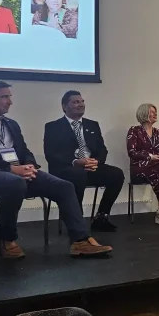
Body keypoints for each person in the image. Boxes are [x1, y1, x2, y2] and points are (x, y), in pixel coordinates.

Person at [0, 81, 112, 259]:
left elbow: (24, 151)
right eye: (4, 97)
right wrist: (11, 169)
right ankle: (6, 240)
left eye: (9, 97)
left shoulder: (11, 124)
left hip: (17, 174)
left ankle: (80, 240)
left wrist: (29, 165)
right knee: (14, 183)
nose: (10, 101)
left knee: (64, 186)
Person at [43, 91, 127, 232]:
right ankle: (76, 220)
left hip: (89, 167)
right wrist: (76, 161)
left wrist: (96, 162)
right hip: (66, 169)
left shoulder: (92, 125)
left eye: (82, 101)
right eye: (76, 102)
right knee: (78, 174)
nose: (81, 104)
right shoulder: (53, 127)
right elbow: (51, 154)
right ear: (65, 106)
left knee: (116, 174)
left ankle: (101, 216)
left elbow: (102, 149)